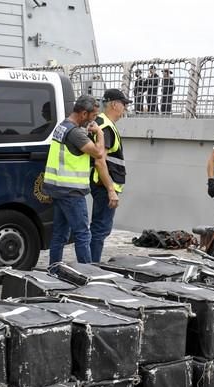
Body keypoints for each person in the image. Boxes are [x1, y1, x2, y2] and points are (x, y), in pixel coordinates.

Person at [43, 95, 105, 266]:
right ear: (84, 113)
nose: (94, 119)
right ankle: (88, 273)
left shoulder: (62, 126)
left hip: (58, 188)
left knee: (60, 234)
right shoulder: (76, 133)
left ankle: (54, 269)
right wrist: (99, 133)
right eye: (93, 116)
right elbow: (99, 153)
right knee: (82, 234)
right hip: (72, 191)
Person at [89, 89, 130, 262]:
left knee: (97, 227)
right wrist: (111, 190)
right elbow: (100, 161)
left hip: (99, 184)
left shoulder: (99, 122)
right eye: (124, 104)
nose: (125, 109)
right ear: (114, 104)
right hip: (104, 186)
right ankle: (91, 266)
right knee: (100, 228)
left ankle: (88, 263)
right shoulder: (105, 127)